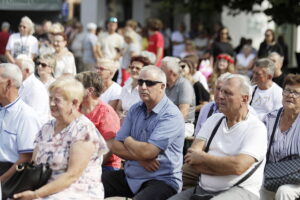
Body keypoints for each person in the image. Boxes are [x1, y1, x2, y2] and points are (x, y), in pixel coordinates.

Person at [169, 74, 267, 200]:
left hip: (240, 191)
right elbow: (192, 157)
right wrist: (224, 167)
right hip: (203, 189)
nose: (220, 96)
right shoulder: (214, 120)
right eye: (220, 91)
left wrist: (204, 158)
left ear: (244, 99)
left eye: (227, 93)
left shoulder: (256, 128)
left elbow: (238, 166)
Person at [13, 77, 108, 200]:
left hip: (77, 190)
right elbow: (34, 163)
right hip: (44, 187)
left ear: (74, 103)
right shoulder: (47, 127)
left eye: (57, 100)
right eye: (50, 98)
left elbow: (72, 176)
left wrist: (36, 194)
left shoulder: (84, 130)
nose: (51, 104)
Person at [102, 65, 185, 200]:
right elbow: (116, 146)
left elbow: (148, 152)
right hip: (131, 176)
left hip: (162, 180)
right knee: (88, 184)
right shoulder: (135, 109)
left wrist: (128, 140)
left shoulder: (171, 115)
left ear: (162, 87)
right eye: (140, 82)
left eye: (149, 83)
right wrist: (140, 159)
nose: (143, 87)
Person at [260, 74, 300, 200]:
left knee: (284, 192)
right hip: (273, 175)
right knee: (256, 188)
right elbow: (260, 149)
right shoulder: (270, 118)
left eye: (296, 93)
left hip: (297, 177)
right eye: (287, 90)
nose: (290, 95)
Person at [0, 63, 41, 181]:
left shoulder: (26, 116)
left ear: (8, 83)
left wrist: (1, 180)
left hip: (10, 174)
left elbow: (26, 158)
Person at [75, 71, 121, 171]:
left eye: (77, 87)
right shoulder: (75, 108)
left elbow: (107, 150)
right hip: (77, 160)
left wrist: (85, 168)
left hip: (104, 165)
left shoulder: (106, 113)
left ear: (89, 91)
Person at [161, 56, 196, 137]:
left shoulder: (184, 85)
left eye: (162, 69)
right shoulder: (163, 84)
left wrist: (166, 126)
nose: (159, 71)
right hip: (165, 122)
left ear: (170, 72)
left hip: (184, 124)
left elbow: (184, 113)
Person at [15, 55, 51, 125]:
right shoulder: (23, 84)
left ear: (27, 70)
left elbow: (33, 117)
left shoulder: (35, 87)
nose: (14, 71)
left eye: (17, 69)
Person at [117, 56, 151, 121]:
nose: (133, 70)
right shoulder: (125, 86)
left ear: (145, 71)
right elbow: (118, 109)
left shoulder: (147, 90)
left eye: (137, 68)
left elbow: (146, 114)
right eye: (132, 67)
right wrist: (121, 116)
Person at [180, 59, 210, 124]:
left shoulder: (197, 85)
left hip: (195, 119)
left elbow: (205, 104)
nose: (180, 69)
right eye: (178, 67)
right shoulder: (179, 85)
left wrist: (188, 109)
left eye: (183, 66)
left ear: (190, 68)